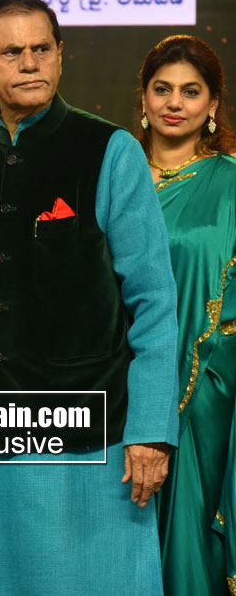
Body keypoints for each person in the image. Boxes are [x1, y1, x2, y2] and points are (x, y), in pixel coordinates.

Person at [0, 0, 179, 594]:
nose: (29, 63)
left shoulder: (108, 150)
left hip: (93, 430)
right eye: (12, 53)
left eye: (42, 49)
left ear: (61, 54)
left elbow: (154, 303)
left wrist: (150, 429)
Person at [134, 35, 236, 595]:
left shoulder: (231, 182)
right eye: (162, 89)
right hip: (114, 389)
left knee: (189, 545)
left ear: (212, 104)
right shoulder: (113, 176)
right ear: (143, 97)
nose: (174, 103)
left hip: (205, 394)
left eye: (191, 92)